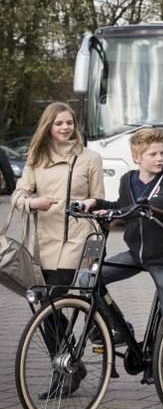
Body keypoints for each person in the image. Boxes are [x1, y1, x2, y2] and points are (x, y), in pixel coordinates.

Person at [83, 128, 163, 385]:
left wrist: (146, 205)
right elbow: (122, 207)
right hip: (135, 254)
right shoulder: (128, 180)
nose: (159, 158)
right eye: (153, 154)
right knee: (89, 279)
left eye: (162, 152)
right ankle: (119, 329)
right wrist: (96, 204)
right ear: (137, 157)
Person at [12, 102, 105, 288]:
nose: (65, 127)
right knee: (46, 305)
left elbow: (99, 200)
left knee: (55, 294)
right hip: (45, 242)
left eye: (69, 123)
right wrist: (34, 203)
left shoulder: (91, 158)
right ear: (49, 126)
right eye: (59, 123)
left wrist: (92, 205)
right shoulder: (36, 158)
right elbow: (17, 197)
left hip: (80, 239)